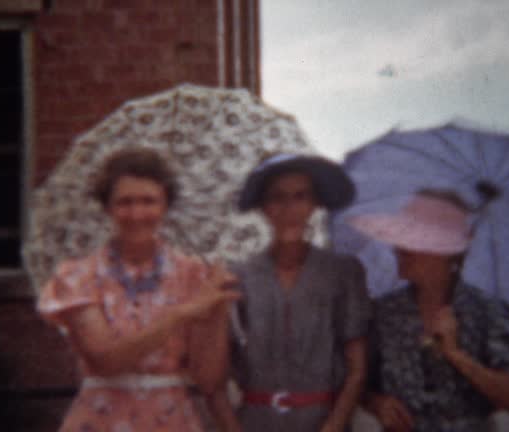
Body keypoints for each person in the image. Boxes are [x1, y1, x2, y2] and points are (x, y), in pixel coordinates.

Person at [37, 147, 241, 432]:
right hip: (101, 419)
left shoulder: (194, 275)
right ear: (107, 207)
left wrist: (217, 309)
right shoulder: (78, 276)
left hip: (172, 421)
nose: (137, 213)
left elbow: (207, 379)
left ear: (166, 205)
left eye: (149, 201)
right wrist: (181, 315)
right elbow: (106, 360)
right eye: (125, 202)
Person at [210, 153, 372, 432]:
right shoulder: (237, 277)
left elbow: (356, 369)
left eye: (301, 197)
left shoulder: (342, 272)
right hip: (256, 420)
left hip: (323, 420)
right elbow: (216, 374)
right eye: (277, 198)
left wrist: (333, 426)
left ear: (314, 204)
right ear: (262, 206)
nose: (290, 208)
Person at [350, 191, 509, 432]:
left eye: (411, 238)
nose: (397, 248)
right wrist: (375, 403)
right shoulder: (383, 312)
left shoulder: (491, 311)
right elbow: (358, 380)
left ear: (444, 250)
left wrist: (455, 354)